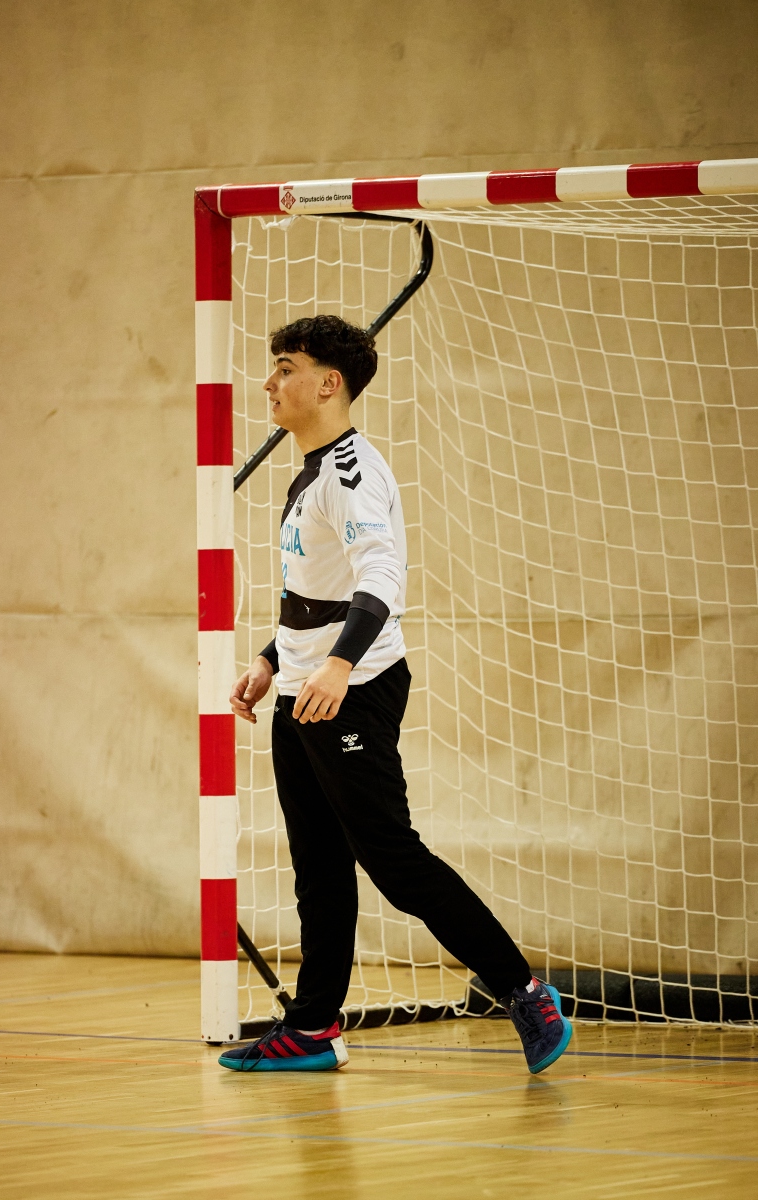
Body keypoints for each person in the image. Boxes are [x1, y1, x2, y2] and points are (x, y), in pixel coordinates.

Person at [220, 315, 572, 1075]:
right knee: (318, 866)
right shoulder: (310, 470)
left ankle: (525, 993)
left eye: (285, 367)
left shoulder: (352, 474)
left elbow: (381, 577)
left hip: (351, 690)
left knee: (394, 860)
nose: (270, 382)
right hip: (305, 690)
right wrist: (273, 660)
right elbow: (316, 591)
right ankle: (313, 1027)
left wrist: (340, 665)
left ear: (329, 383)